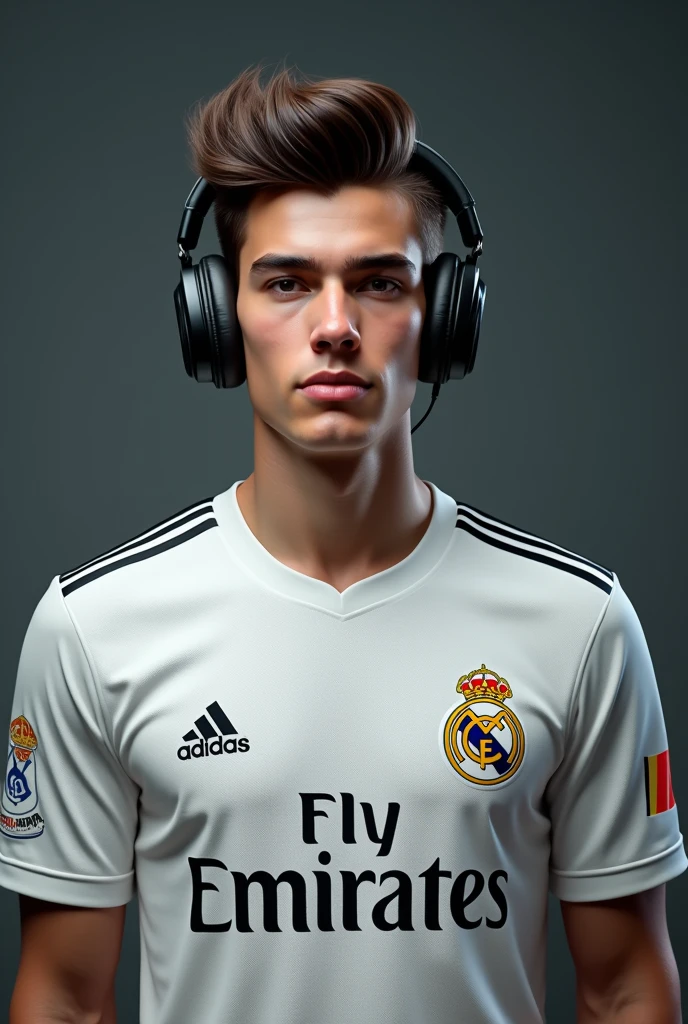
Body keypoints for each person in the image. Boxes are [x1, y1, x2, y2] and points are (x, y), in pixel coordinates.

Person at [1, 65, 685, 1024]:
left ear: (445, 320)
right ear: (217, 318)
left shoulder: (581, 625)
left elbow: (624, 990)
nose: (333, 327)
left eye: (378, 283)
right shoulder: (92, 628)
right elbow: (65, 999)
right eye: (286, 282)